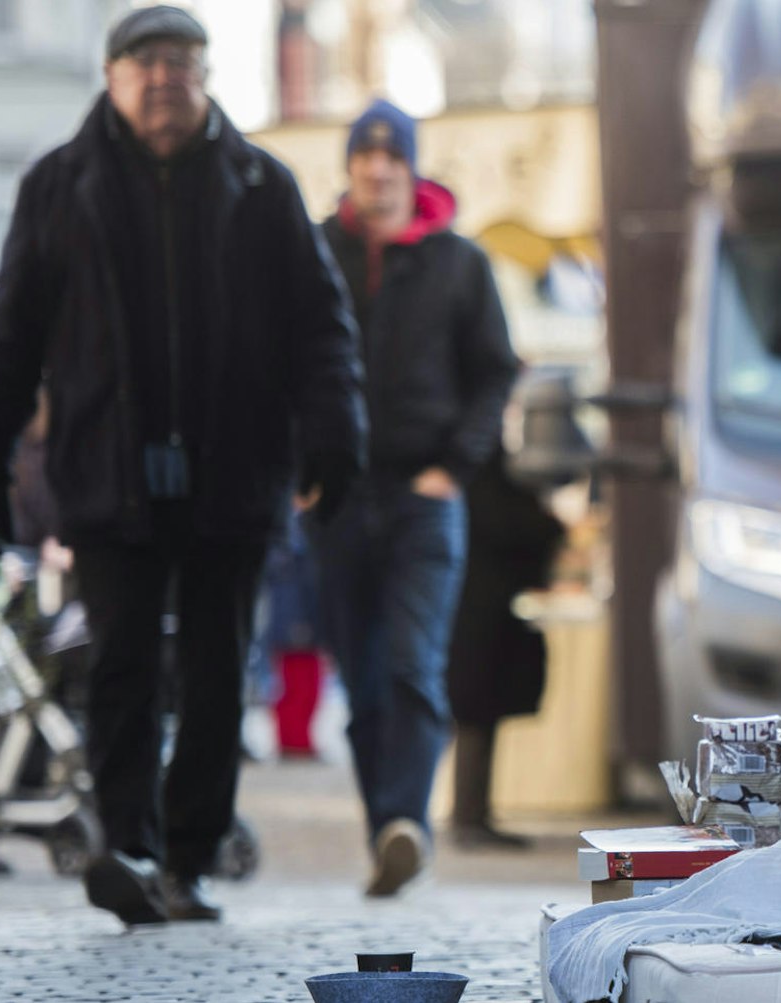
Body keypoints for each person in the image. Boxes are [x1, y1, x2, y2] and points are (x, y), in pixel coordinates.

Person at [0, 6, 365, 925]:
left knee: (220, 670)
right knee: (122, 667)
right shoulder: (59, 184)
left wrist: (337, 437)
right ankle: (128, 846)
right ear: (111, 79)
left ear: (207, 76)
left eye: (180, 63)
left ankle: (190, 856)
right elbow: (13, 339)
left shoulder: (260, 183)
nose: (162, 80)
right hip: (107, 472)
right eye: (143, 64)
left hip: (234, 470)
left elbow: (320, 329)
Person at [311, 99, 518, 896]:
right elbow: (286, 363)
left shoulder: (459, 262)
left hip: (425, 494)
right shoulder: (319, 252)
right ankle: (386, 830)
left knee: (412, 665)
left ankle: (409, 824)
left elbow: (496, 369)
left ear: (411, 167)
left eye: (391, 157)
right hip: (338, 495)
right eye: (364, 157)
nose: (377, 169)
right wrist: (304, 471)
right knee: (359, 685)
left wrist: (456, 466)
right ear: (351, 169)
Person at [446, 449, 565, 848]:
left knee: (476, 713)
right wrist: (551, 524)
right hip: (480, 608)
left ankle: (472, 815)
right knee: (475, 713)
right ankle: (468, 818)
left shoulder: (469, 461)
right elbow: (511, 522)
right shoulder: (478, 467)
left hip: (477, 605)